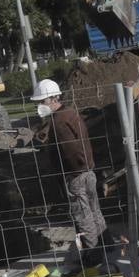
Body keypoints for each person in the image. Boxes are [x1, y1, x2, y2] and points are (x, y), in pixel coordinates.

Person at [32, 79, 107, 262]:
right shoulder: (70, 113)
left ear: (52, 99)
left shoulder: (58, 122)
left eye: (42, 101)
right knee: (94, 209)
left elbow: (71, 149)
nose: (39, 106)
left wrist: (73, 171)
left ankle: (93, 252)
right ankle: (106, 242)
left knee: (82, 215)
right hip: (88, 171)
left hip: (76, 174)